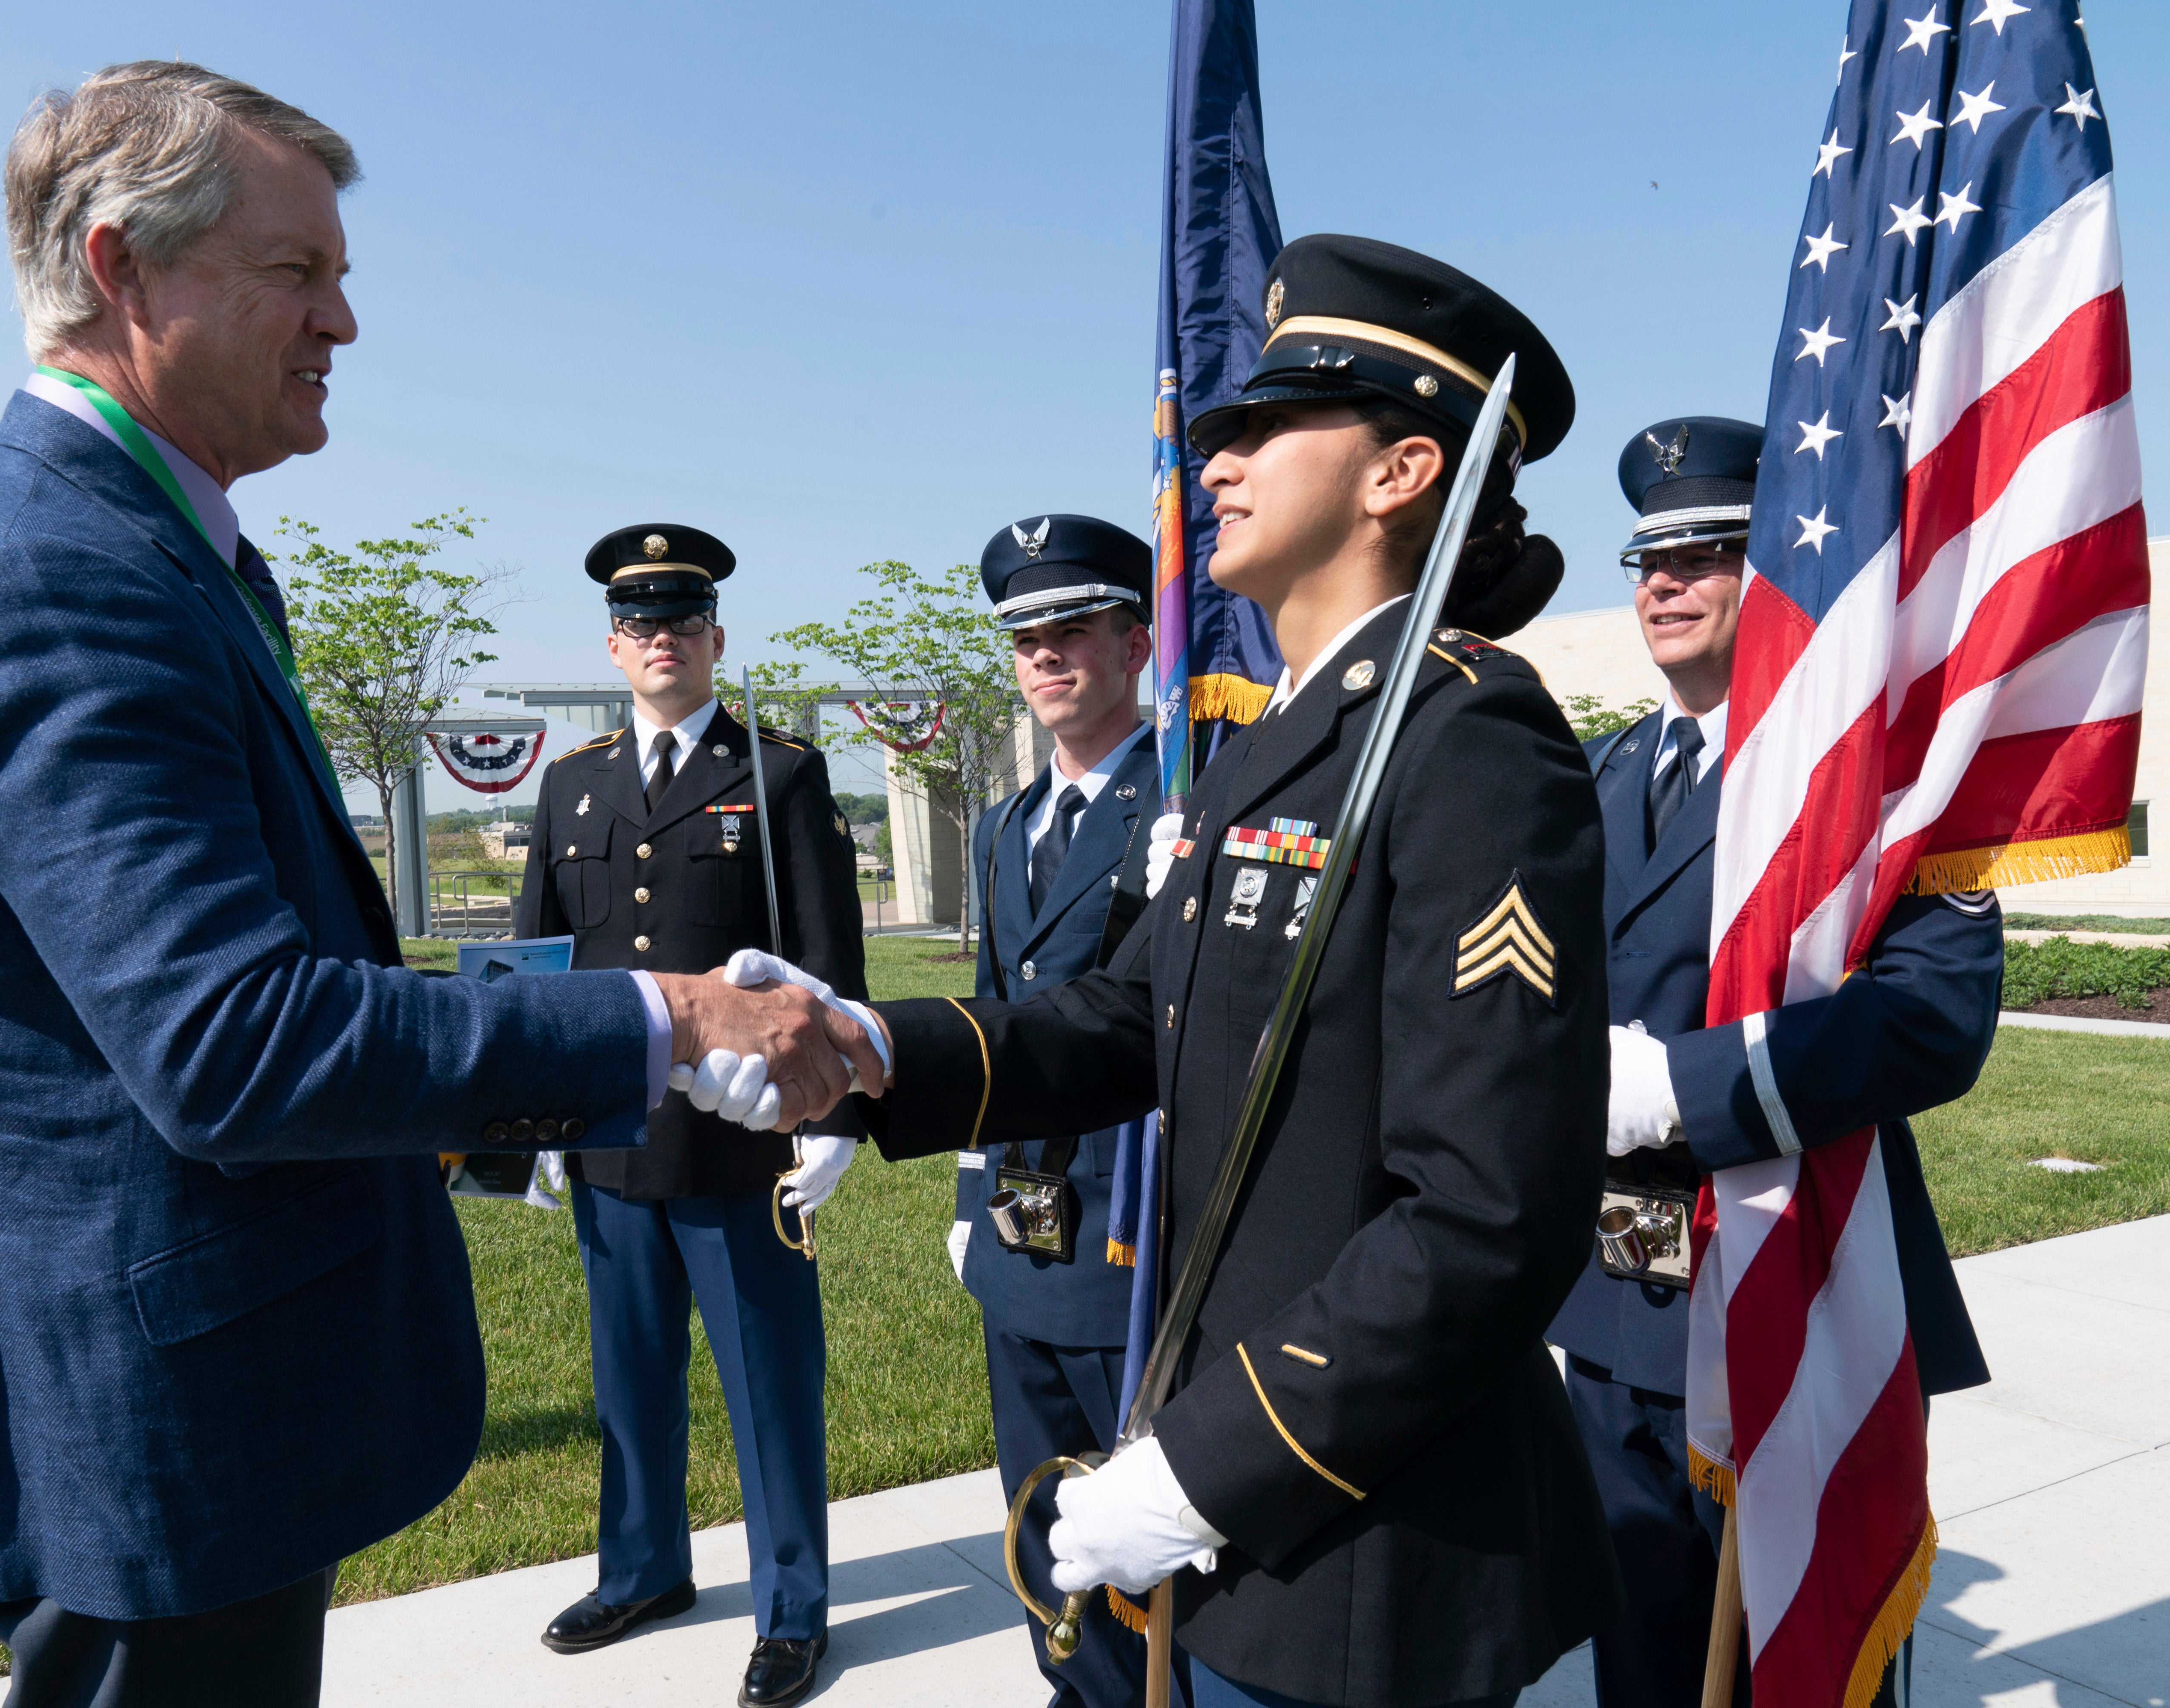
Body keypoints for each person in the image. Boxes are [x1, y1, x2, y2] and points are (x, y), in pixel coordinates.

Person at [0, 64, 871, 1708]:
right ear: (122, 270)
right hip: (149, 1433)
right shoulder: (56, 586)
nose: (345, 325)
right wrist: (667, 1014)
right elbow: (236, 1045)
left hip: (163, 1400)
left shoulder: (145, 556)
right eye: (298, 274)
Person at [718, 235, 1623, 1708]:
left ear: (1401, 474)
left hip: (1359, 1528)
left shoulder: (1470, 740)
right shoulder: (1278, 741)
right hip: (1238, 1496)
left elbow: (1488, 1213)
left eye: (1268, 427)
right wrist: (874, 1050)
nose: (1218, 463)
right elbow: (1137, 1014)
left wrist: (1205, 1471)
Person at [1543, 418, 2000, 1708]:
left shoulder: (1877, 774)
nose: (1662, 583)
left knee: (1795, 1663)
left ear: (1786, 573)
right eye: (1646, 558)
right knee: (1642, 1654)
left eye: (1706, 554)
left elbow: (1935, 1015)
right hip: (1619, 1293)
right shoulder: (1608, 767)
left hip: (1793, 1271)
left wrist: (1679, 1091)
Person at [512, 523, 864, 1708]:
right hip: (610, 1132)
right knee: (633, 1375)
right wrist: (533, 1118)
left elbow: (829, 964)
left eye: (682, 623)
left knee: (769, 1381)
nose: (661, 641)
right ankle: (645, 1570)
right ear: (613, 646)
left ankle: (792, 1607)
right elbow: (540, 969)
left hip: (744, 1139)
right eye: (639, 625)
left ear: (716, 640)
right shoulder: (570, 784)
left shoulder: (781, 776)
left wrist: (835, 1119)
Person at [951, 513, 1162, 1708]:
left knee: (1131, 1510)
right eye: (1026, 638)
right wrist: (973, 1190)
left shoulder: (1183, 807)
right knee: (1034, 1494)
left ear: (1138, 641)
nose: (1045, 657)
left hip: (1124, 1231)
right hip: (1021, 1233)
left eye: (1073, 629)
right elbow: (994, 1016)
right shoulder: (1007, 827)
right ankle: (1071, 1681)